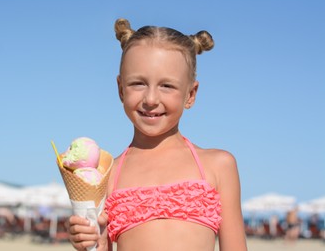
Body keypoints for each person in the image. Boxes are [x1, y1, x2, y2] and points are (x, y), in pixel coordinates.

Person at [68, 18, 247, 250]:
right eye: (138, 84)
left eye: (167, 86)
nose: (151, 99)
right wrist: (91, 244)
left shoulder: (218, 165)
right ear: (121, 89)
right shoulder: (107, 176)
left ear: (190, 94)